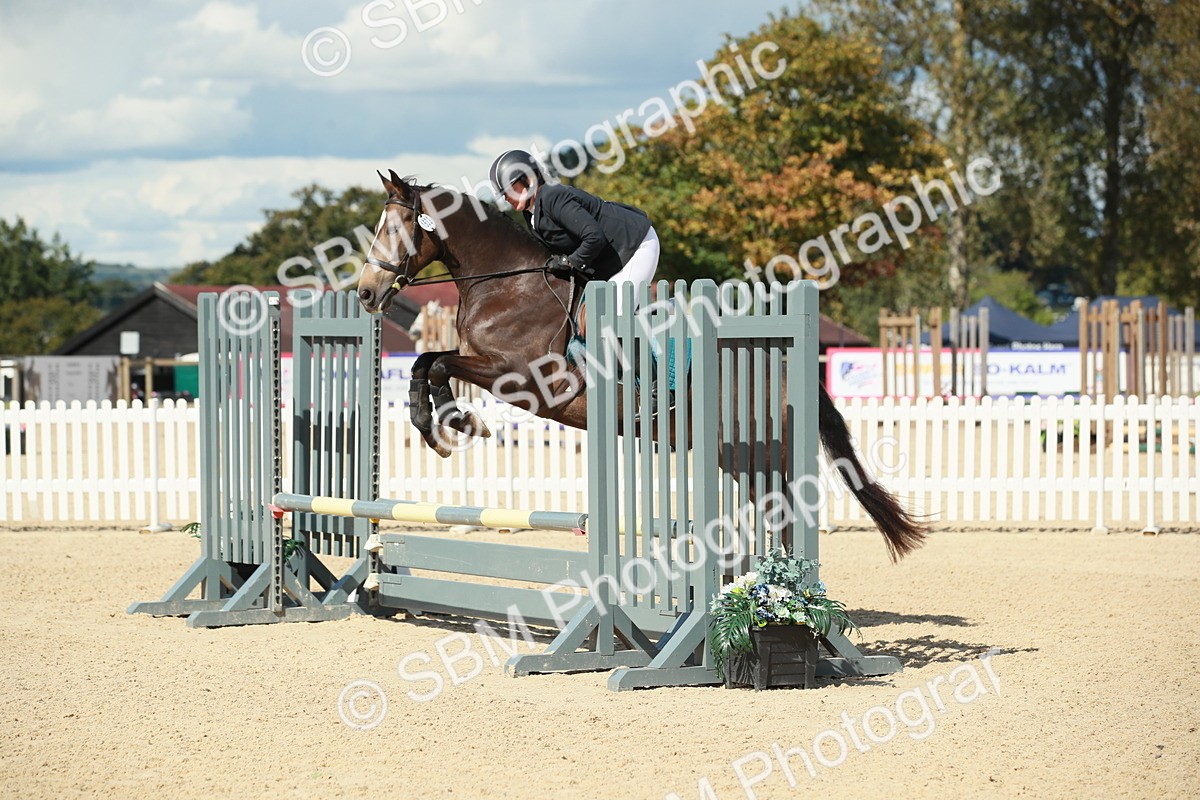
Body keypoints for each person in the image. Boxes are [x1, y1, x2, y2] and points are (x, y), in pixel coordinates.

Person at [489, 149, 659, 310]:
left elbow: (594, 237)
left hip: (635, 245)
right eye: (503, 194)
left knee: (615, 316)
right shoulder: (531, 214)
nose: (506, 197)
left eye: (511, 188)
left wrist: (571, 262)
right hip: (612, 260)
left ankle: (670, 314)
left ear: (529, 179)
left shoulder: (552, 197)